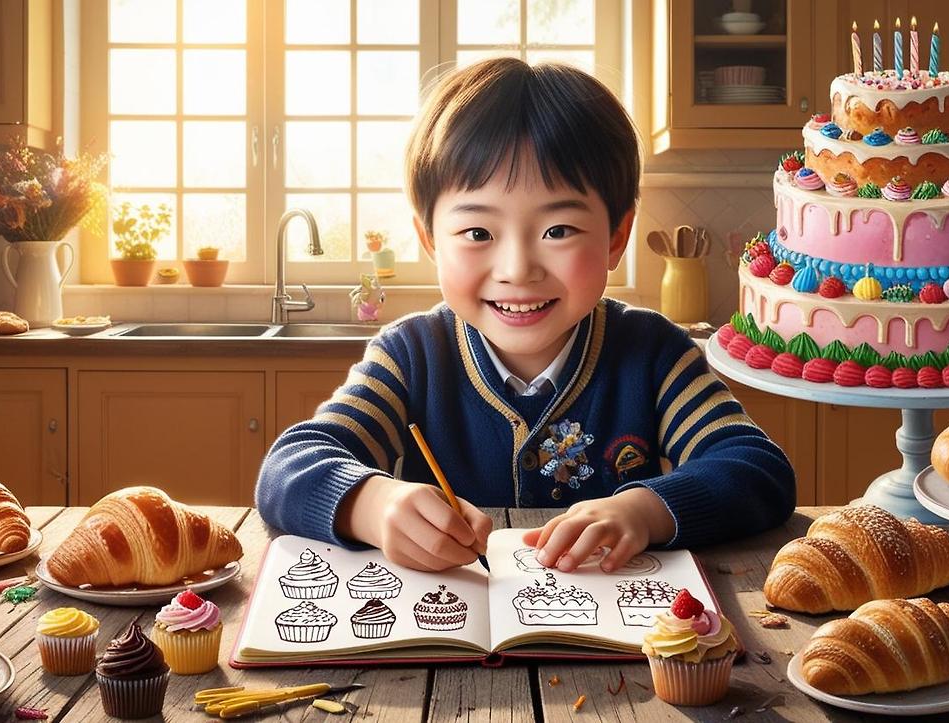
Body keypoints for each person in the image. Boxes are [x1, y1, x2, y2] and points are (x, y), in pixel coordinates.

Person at [256, 58, 795, 573]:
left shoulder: (653, 353)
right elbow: (288, 468)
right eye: (477, 232)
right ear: (430, 240)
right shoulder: (410, 356)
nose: (517, 269)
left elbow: (755, 467)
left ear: (616, 237)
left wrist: (644, 510)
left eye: (558, 231)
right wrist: (371, 504)